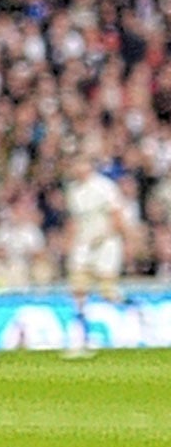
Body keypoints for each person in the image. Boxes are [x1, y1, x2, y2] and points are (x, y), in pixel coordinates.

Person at [57, 143, 137, 358]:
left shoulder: (104, 187)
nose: (77, 168)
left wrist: (123, 241)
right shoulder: (73, 190)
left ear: (89, 165)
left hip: (106, 243)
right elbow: (75, 220)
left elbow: (117, 215)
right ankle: (82, 340)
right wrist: (69, 242)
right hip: (84, 244)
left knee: (107, 292)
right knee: (78, 290)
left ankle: (135, 311)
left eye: (81, 163)